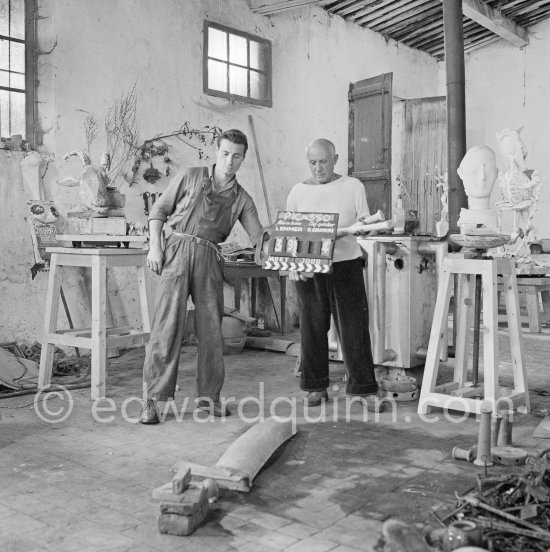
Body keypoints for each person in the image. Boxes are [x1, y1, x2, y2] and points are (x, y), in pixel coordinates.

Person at [139, 129, 263, 424]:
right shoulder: (190, 176)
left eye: (236, 156)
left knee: (211, 330)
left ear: (243, 159)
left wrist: (280, 243)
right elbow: (159, 211)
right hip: (178, 249)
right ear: (216, 152)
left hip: (209, 257)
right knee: (166, 326)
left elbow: (258, 235)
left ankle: (209, 398)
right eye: (225, 154)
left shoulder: (242, 199)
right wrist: (155, 247)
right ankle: (153, 401)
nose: (229, 161)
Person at [287, 138, 382, 410]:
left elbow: (363, 222)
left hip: (346, 264)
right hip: (310, 267)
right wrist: (294, 265)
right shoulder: (297, 192)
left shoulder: (353, 186)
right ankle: (315, 387)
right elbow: (290, 234)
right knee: (312, 327)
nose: (318, 168)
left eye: (324, 162)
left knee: (354, 327)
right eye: (313, 163)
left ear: (336, 159)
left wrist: (369, 226)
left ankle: (364, 388)